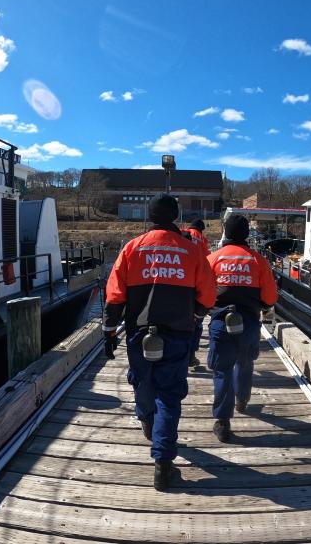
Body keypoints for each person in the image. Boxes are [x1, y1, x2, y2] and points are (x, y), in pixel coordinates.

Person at [103, 193, 216, 490]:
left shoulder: (132, 248)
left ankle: (146, 421)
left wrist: (109, 331)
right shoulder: (191, 251)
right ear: (176, 215)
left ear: (150, 216)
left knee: (142, 381)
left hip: (139, 332)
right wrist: (196, 315)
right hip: (178, 334)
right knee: (168, 395)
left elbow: (115, 295)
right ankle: (163, 465)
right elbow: (208, 293)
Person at [205, 214, 278, 442]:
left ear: (225, 232)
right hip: (248, 323)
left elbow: (203, 293)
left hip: (220, 321)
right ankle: (242, 400)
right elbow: (269, 297)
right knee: (245, 363)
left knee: (222, 369)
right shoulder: (258, 261)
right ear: (247, 234)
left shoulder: (213, 259)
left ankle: (223, 422)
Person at [182, 219, 211, 368]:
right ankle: (191, 355)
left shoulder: (184, 233)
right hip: (196, 280)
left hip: (179, 279)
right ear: (201, 229)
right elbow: (207, 259)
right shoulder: (201, 238)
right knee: (196, 322)